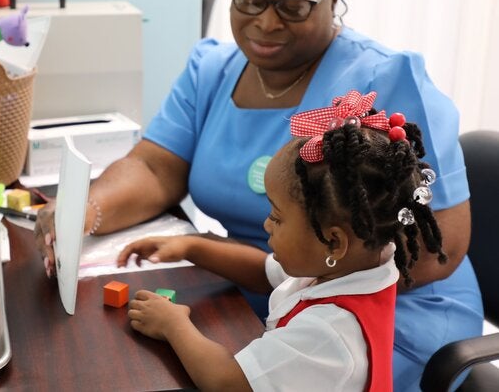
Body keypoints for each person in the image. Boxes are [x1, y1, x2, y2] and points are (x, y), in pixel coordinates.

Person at [34, 0, 483, 389]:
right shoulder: (211, 70)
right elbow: (155, 167)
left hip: (371, 312)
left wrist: (309, 277)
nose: (266, 22)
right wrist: (86, 212)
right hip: (272, 281)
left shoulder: (385, 81)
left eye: (293, 6)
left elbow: (441, 243)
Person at [118, 91, 444, 391]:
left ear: (333, 242)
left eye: (276, 217)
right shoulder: (362, 258)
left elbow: (226, 381)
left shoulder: (327, 333)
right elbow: (264, 272)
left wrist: (174, 325)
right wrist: (192, 246)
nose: (266, 224)